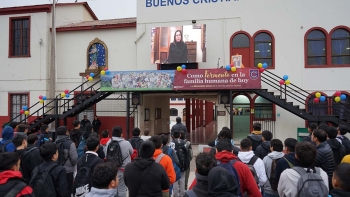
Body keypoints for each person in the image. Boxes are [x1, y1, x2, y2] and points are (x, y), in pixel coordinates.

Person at [105, 126, 133, 197]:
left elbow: (106, 154)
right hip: (123, 170)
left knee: (113, 188)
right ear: (121, 134)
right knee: (122, 189)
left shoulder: (108, 143)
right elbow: (131, 152)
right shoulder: (126, 143)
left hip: (112, 170)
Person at [54, 126, 78, 195]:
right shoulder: (70, 143)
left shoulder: (54, 143)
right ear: (66, 133)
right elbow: (74, 158)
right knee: (68, 189)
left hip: (56, 169)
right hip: (68, 170)